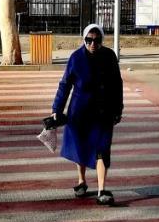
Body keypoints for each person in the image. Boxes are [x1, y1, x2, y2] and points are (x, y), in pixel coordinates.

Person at [48, 22, 123, 205]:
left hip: (103, 111)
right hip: (80, 111)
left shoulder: (109, 56)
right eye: (88, 40)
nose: (92, 44)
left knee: (102, 149)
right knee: (80, 147)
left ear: (101, 40)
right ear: (84, 39)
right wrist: (56, 109)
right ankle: (81, 181)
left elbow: (117, 84)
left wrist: (118, 108)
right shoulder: (76, 58)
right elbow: (65, 85)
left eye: (96, 40)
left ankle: (102, 189)